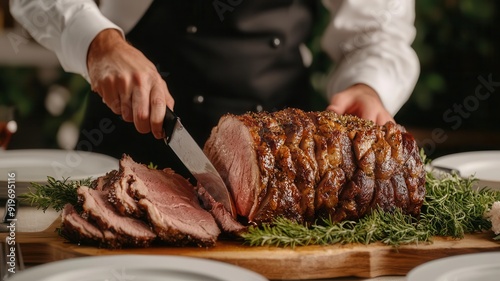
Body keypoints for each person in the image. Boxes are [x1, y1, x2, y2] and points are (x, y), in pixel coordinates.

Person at [10, 0, 419, 171]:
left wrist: (369, 86)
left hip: (281, 159)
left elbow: (379, 29)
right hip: (124, 147)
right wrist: (99, 43)